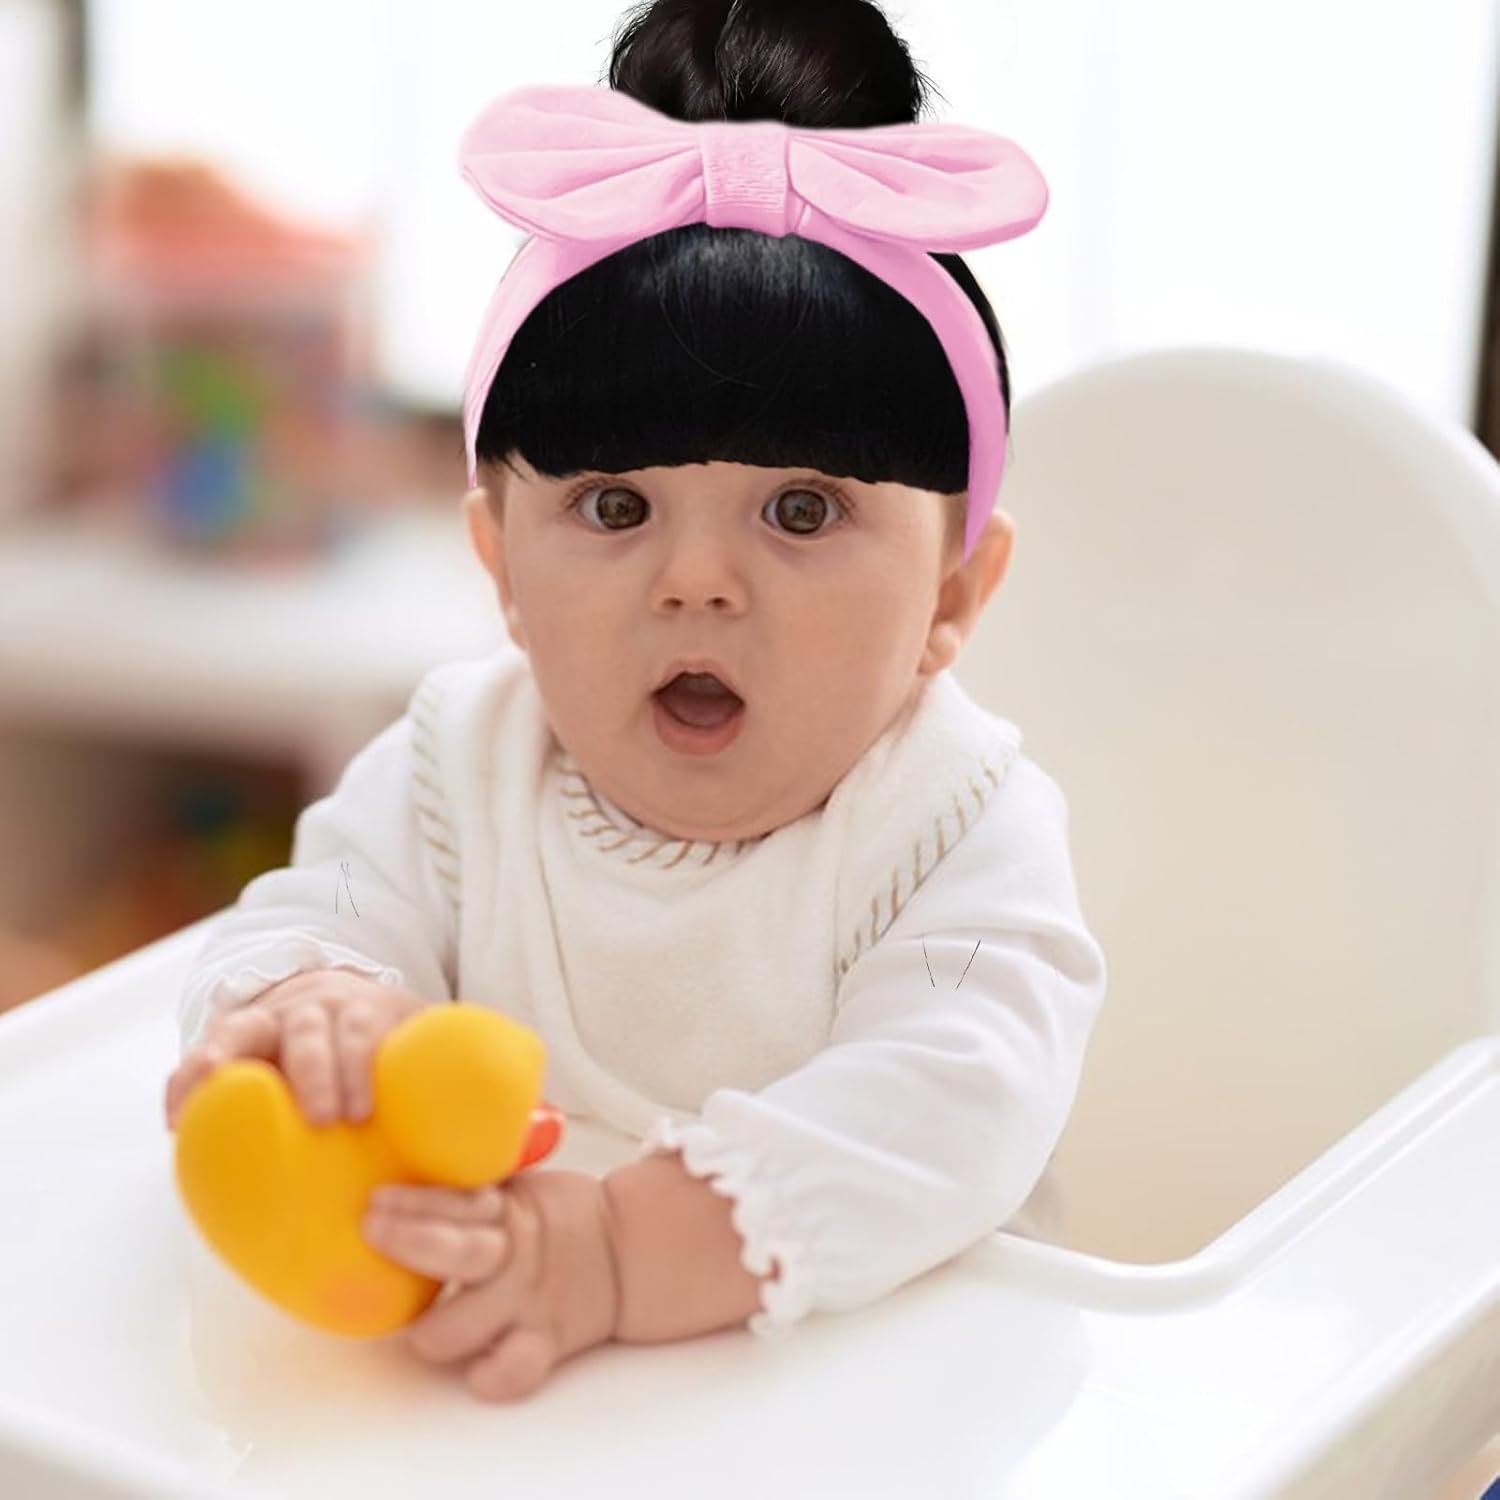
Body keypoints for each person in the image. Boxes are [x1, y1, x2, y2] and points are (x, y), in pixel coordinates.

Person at [164, 0, 1107, 1404]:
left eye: (802, 509)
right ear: (500, 565)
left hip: (890, 1410)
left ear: (953, 596)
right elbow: (317, 913)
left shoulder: (958, 825)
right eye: (615, 506)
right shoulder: (457, 765)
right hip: (520, 1409)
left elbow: (953, 1102)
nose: (699, 584)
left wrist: (616, 1251)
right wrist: (316, 1012)